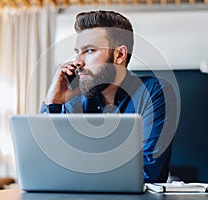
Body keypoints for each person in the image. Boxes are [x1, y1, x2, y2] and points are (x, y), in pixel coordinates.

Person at [41, 10, 177, 183]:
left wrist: (79, 170)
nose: (77, 62)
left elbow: (147, 172)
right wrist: (53, 103)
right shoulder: (73, 99)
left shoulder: (154, 93)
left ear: (119, 55)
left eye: (89, 50)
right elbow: (47, 166)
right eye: (78, 51)